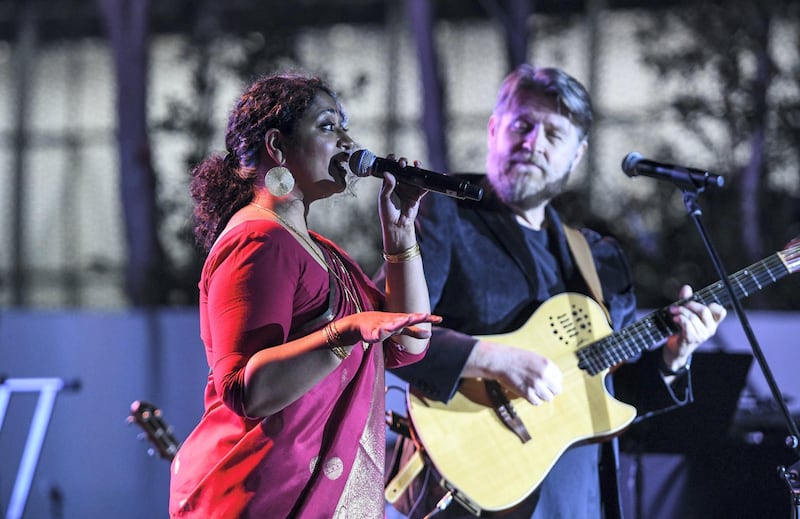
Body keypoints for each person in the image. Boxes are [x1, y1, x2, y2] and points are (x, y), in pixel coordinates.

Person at [381, 64, 728, 518]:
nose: (533, 143)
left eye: (554, 134)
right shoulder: (443, 216)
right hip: (468, 486)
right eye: (522, 125)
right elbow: (388, 331)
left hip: (575, 498)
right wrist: (494, 359)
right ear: (493, 129)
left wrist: (672, 357)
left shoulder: (598, 256)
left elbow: (614, 392)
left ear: (577, 154)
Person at [168, 73, 441, 518]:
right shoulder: (257, 242)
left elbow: (408, 345)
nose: (348, 143)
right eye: (329, 126)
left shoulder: (321, 250)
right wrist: (344, 333)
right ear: (276, 147)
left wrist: (399, 231)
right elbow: (245, 390)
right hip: (266, 496)